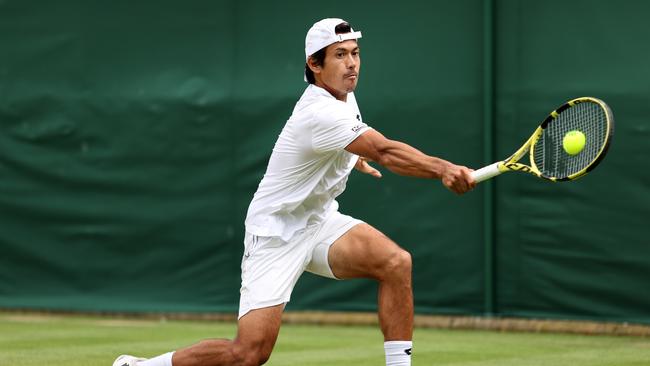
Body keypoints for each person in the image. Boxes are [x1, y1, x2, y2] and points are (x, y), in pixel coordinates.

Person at [113, 17, 475, 366]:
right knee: (249, 354)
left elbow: (347, 146)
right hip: (275, 234)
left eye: (355, 53)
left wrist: (352, 160)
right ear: (314, 65)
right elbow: (384, 150)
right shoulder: (320, 112)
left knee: (396, 263)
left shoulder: (343, 98)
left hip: (318, 222)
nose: (352, 64)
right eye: (340, 55)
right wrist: (443, 169)